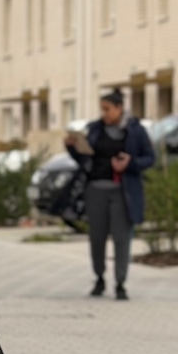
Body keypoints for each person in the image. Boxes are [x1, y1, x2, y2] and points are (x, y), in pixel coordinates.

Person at [65, 90, 155, 300]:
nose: (104, 113)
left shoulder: (135, 131)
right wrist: (72, 148)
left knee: (122, 238)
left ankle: (121, 284)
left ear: (119, 108)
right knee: (96, 238)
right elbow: (84, 159)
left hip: (123, 193)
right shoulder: (95, 129)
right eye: (102, 109)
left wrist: (129, 163)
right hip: (95, 190)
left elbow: (150, 158)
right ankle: (99, 279)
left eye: (108, 109)